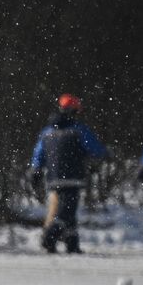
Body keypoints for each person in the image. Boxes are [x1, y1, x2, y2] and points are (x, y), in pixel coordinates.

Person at [30, 94, 109, 254]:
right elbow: (94, 149)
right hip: (73, 178)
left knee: (67, 212)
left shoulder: (47, 131)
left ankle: (72, 244)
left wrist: (36, 171)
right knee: (65, 213)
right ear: (74, 111)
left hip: (53, 179)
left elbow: (39, 154)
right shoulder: (78, 130)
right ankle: (48, 238)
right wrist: (106, 153)